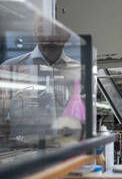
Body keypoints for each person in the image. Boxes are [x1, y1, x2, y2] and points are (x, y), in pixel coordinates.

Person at [0, 15, 81, 146]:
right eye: (42, 30)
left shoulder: (78, 71)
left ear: (66, 35)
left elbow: (84, 119)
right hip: (24, 156)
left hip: (67, 154)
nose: (48, 37)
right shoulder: (10, 68)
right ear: (35, 33)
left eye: (55, 31)